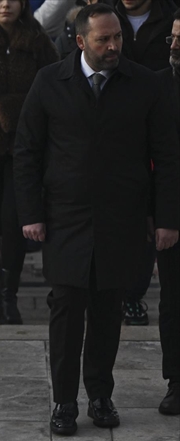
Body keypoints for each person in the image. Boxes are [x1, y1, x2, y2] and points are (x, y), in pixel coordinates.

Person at [13, 2, 179, 435]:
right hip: (65, 217)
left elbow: (165, 155)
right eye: (104, 39)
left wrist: (165, 218)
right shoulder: (51, 81)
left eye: (118, 38)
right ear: (80, 40)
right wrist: (30, 213)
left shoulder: (142, 84)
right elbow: (27, 151)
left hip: (120, 219)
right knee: (66, 309)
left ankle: (100, 396)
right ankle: (64, 403)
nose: (113, 46)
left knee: (108, 308)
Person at [0, 0, 56, 325]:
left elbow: (52, 85)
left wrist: (13, 108)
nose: (6, 4)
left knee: (13, 219)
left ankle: (9, 295)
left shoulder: (36, 38)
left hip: (24, 148)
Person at [113, 0, 177, 327]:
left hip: (158, 130)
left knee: (153, 220)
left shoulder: (169, 17)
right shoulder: (106, 17)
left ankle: (133, 294)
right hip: (120, 134)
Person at [158, 11, 180, 415]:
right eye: (172, 39)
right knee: (174, 300)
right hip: (172, 211)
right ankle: (177, 381)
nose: (175, 47)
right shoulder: (158, 86)